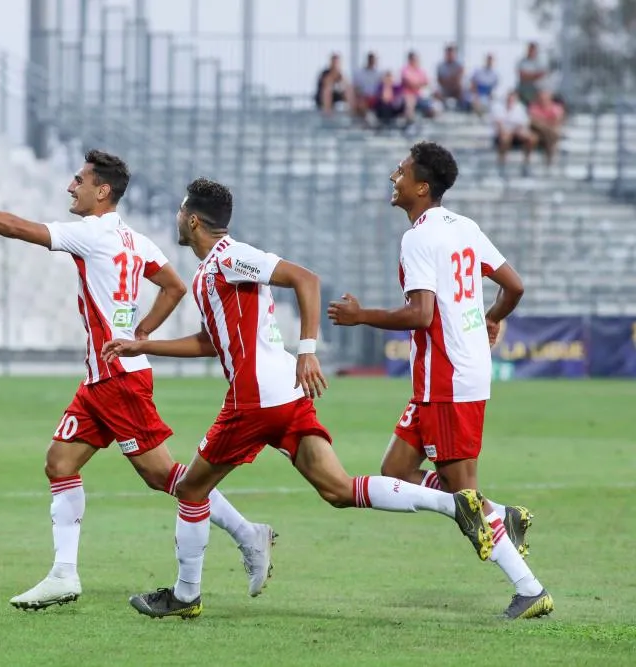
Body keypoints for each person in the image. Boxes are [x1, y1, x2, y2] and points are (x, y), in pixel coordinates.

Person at [105, 178, 494, 621]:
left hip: (255, 400)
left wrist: (307, 349)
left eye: (180, 212)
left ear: (192, 219)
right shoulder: (211, 271)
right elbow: (214, 343)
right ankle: (455, 503)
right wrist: (144, 346)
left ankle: (185, 595)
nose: (177, 218)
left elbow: (304, 279)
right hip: (284, 397)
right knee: (338, 489)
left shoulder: (231, 256)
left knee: (192, 488)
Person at [0, 150, 272, 611]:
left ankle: (247, 534)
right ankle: (63, 575)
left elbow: (20, 228)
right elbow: (174, 286)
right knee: (60, 462)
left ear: (102, 191)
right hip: (101, 378)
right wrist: (141, 332)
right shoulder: (134, 239)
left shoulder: (92, 233)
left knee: (167, 477)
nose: (70, 187)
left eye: (79, 180)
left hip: (119, 380)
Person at [327, 142, 554, 619]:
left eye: (402, 171)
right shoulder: (464, 227)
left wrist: (360, 315)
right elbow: (514, 285)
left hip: (448, 379)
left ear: (422, 187)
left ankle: (530, 588)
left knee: (465, 499)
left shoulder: (418, 238)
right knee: (396, 473)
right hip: (446, 377)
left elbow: (420, 313)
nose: (394, 176)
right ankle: (502, 514)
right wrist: (493, 318)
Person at [491, 91, 536, 177]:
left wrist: (515, 131)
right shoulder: (498, 107)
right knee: (505, 138)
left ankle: (526, 163)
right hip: (502, 134)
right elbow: (499, 125)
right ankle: (501, 163)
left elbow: (523, 124)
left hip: (516, 133)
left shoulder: (520, 108)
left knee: (532, 138)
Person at [528, 89, 566, 167]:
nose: (543, 99)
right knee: (550, 134)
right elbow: (533, 121)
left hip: (548, 133)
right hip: (539, 132)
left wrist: (542, 121)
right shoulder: (534, 107)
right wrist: (548, 122)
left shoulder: (556, 108)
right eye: (541, 97)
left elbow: (558, 120)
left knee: (552, 134)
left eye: (545, 97)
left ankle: (549, 161)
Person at [435, 44, 468, 111]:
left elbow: (459, 78)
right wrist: (451, 79)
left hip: (456, 89)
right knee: (436, 93)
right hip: (445, 89)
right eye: (448, 53)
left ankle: (462, 108)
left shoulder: (459, 65)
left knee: (463, 90)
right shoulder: (441, 66)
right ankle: (441, 109)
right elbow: (440, 80)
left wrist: (449, 79)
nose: (450, 55)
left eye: (452, 53)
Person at [516, 42, 547, 106]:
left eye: (533, 50)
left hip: (537, 91)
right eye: (530, 50)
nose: (532, 52)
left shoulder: (540, 62)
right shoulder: (522, 62)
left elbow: (542, 74)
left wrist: (529, 75)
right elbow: (522, 76)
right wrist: (535, 75)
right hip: (524, 91)